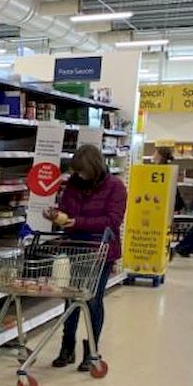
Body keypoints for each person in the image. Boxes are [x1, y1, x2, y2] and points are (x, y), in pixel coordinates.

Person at [44, 144, 127, 370]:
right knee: (70, 298)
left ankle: (91, 351)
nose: (79, 175)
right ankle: (66, 348)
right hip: (76, 248)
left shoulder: (116, 187)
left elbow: (113, 221)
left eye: (83, 171)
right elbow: (65, 210)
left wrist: (77, 222)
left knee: (92, 300)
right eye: (76, 171)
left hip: (101, 252)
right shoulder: (72, 185)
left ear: (94, 167)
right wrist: (55, 215)